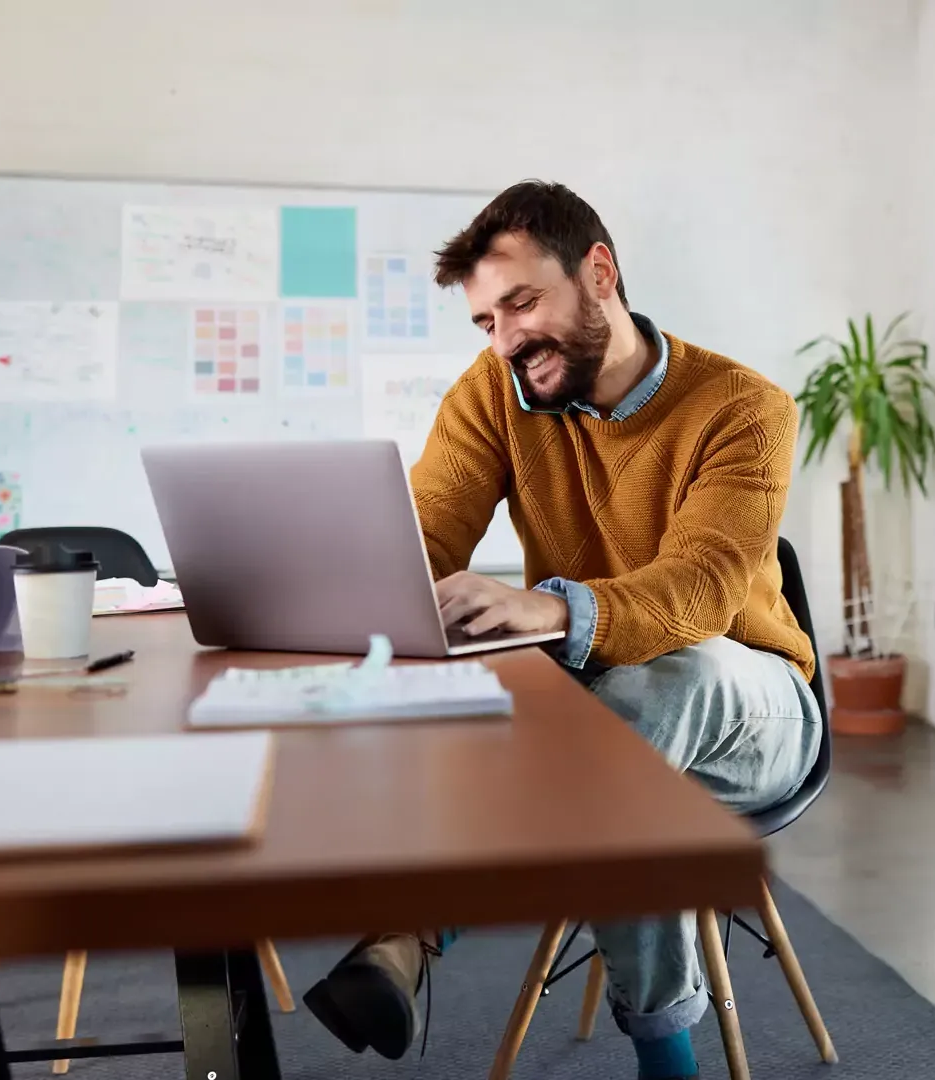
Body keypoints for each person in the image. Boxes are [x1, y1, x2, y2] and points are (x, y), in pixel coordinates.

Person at [304, 180, 821, 1080]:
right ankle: (670, 1060)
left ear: (600, 274)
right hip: (614, 723)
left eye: (522, 303)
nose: (505, 339)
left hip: (757, 708)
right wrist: (363, 584)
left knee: (673, 679)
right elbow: (426, 529)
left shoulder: (744, 407)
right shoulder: (498, 391)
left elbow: (700, 592)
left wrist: (551, 604)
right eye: (484, 322)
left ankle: (420, 927)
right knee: (626, 774)